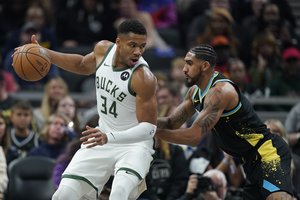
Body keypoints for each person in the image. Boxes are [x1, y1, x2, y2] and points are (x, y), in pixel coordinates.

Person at [15, 19, 157, 200]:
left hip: (134, 145)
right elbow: (82, 64)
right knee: (63, 194)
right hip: (102, 138)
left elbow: (149, 129)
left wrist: (109, 137)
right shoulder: (103, 50)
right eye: (133, 45)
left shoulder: (143, 78)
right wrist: (46, 54)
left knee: (119, 193)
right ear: (118, 43)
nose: (138, 51)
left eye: (142, 46)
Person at [155, 44, 294, 200]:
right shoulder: (194, 92)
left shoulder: (220, 92)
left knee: (278, 198)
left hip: (266, 151)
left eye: (189, 63)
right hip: (248, 159)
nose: (184, 69)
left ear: (205, 66)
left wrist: (153, 132)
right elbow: (171, 123)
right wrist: (142, 122)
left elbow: (193, 137)